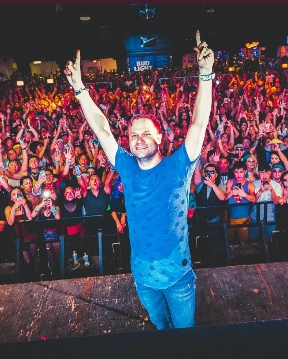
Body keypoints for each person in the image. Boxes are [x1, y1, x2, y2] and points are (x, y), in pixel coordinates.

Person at [62, 30, 214, 330]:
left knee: (185, 336)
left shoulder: (177, 166)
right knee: (159, 329)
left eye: (146, 133)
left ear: (160, 136)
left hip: (178, 277)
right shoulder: (127, 168)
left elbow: (198, 122)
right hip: (142, 277)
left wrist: (206, 75)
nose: (139, 139)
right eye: (134, 134)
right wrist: (80, 89)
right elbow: (102, 129)